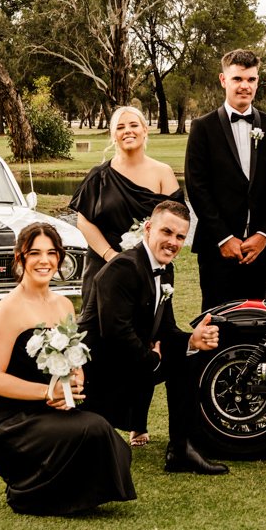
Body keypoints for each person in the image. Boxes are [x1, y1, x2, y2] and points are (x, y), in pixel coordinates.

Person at [0, 223, 136, 515]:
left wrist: (75, 377)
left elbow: (74, 358)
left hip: (51, 408)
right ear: (19, 257)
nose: (44, 260)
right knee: (93, 428)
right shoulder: (8, 310)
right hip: (9, 419)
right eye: (34, 253)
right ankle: (28, 493)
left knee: (106, 434)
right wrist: (47, 391)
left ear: (60, 258)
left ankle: (69, 492)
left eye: (52, 253)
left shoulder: (64, 305)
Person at [77, 201, 228, 475]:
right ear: (148, 229)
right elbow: (115, 332)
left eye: (180, 237)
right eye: (167, 232)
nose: (173, 242)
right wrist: (153, 360)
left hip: (131, 356)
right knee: (176, 361)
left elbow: (165, 329)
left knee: (189, 359)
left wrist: (191, 341)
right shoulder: (123, 268)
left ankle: (182, 450)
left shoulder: (164, 268)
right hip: (98, 371)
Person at [70, 105, 182, 447]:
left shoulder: (163, 172)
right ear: (112, 133)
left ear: (146, 130)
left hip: (148, 272)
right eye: (121, 126)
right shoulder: (99, 176)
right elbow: (84, 221)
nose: (128, 130)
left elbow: (176, 220)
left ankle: (138, 422)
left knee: (146, 338)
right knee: (103, 342)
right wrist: (111, 256)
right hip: (104, 268)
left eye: (134, 124)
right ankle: (93, 418)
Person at [185, 48, 266, 310]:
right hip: (216, 248)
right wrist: (223, 237)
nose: (245, 86)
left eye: (251, 80)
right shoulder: (202, 127)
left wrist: (263, 235)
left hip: (262, 250)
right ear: (224, 80)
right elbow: (197, 187)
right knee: (216, 321)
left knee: (258, 319)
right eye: (237, 79)